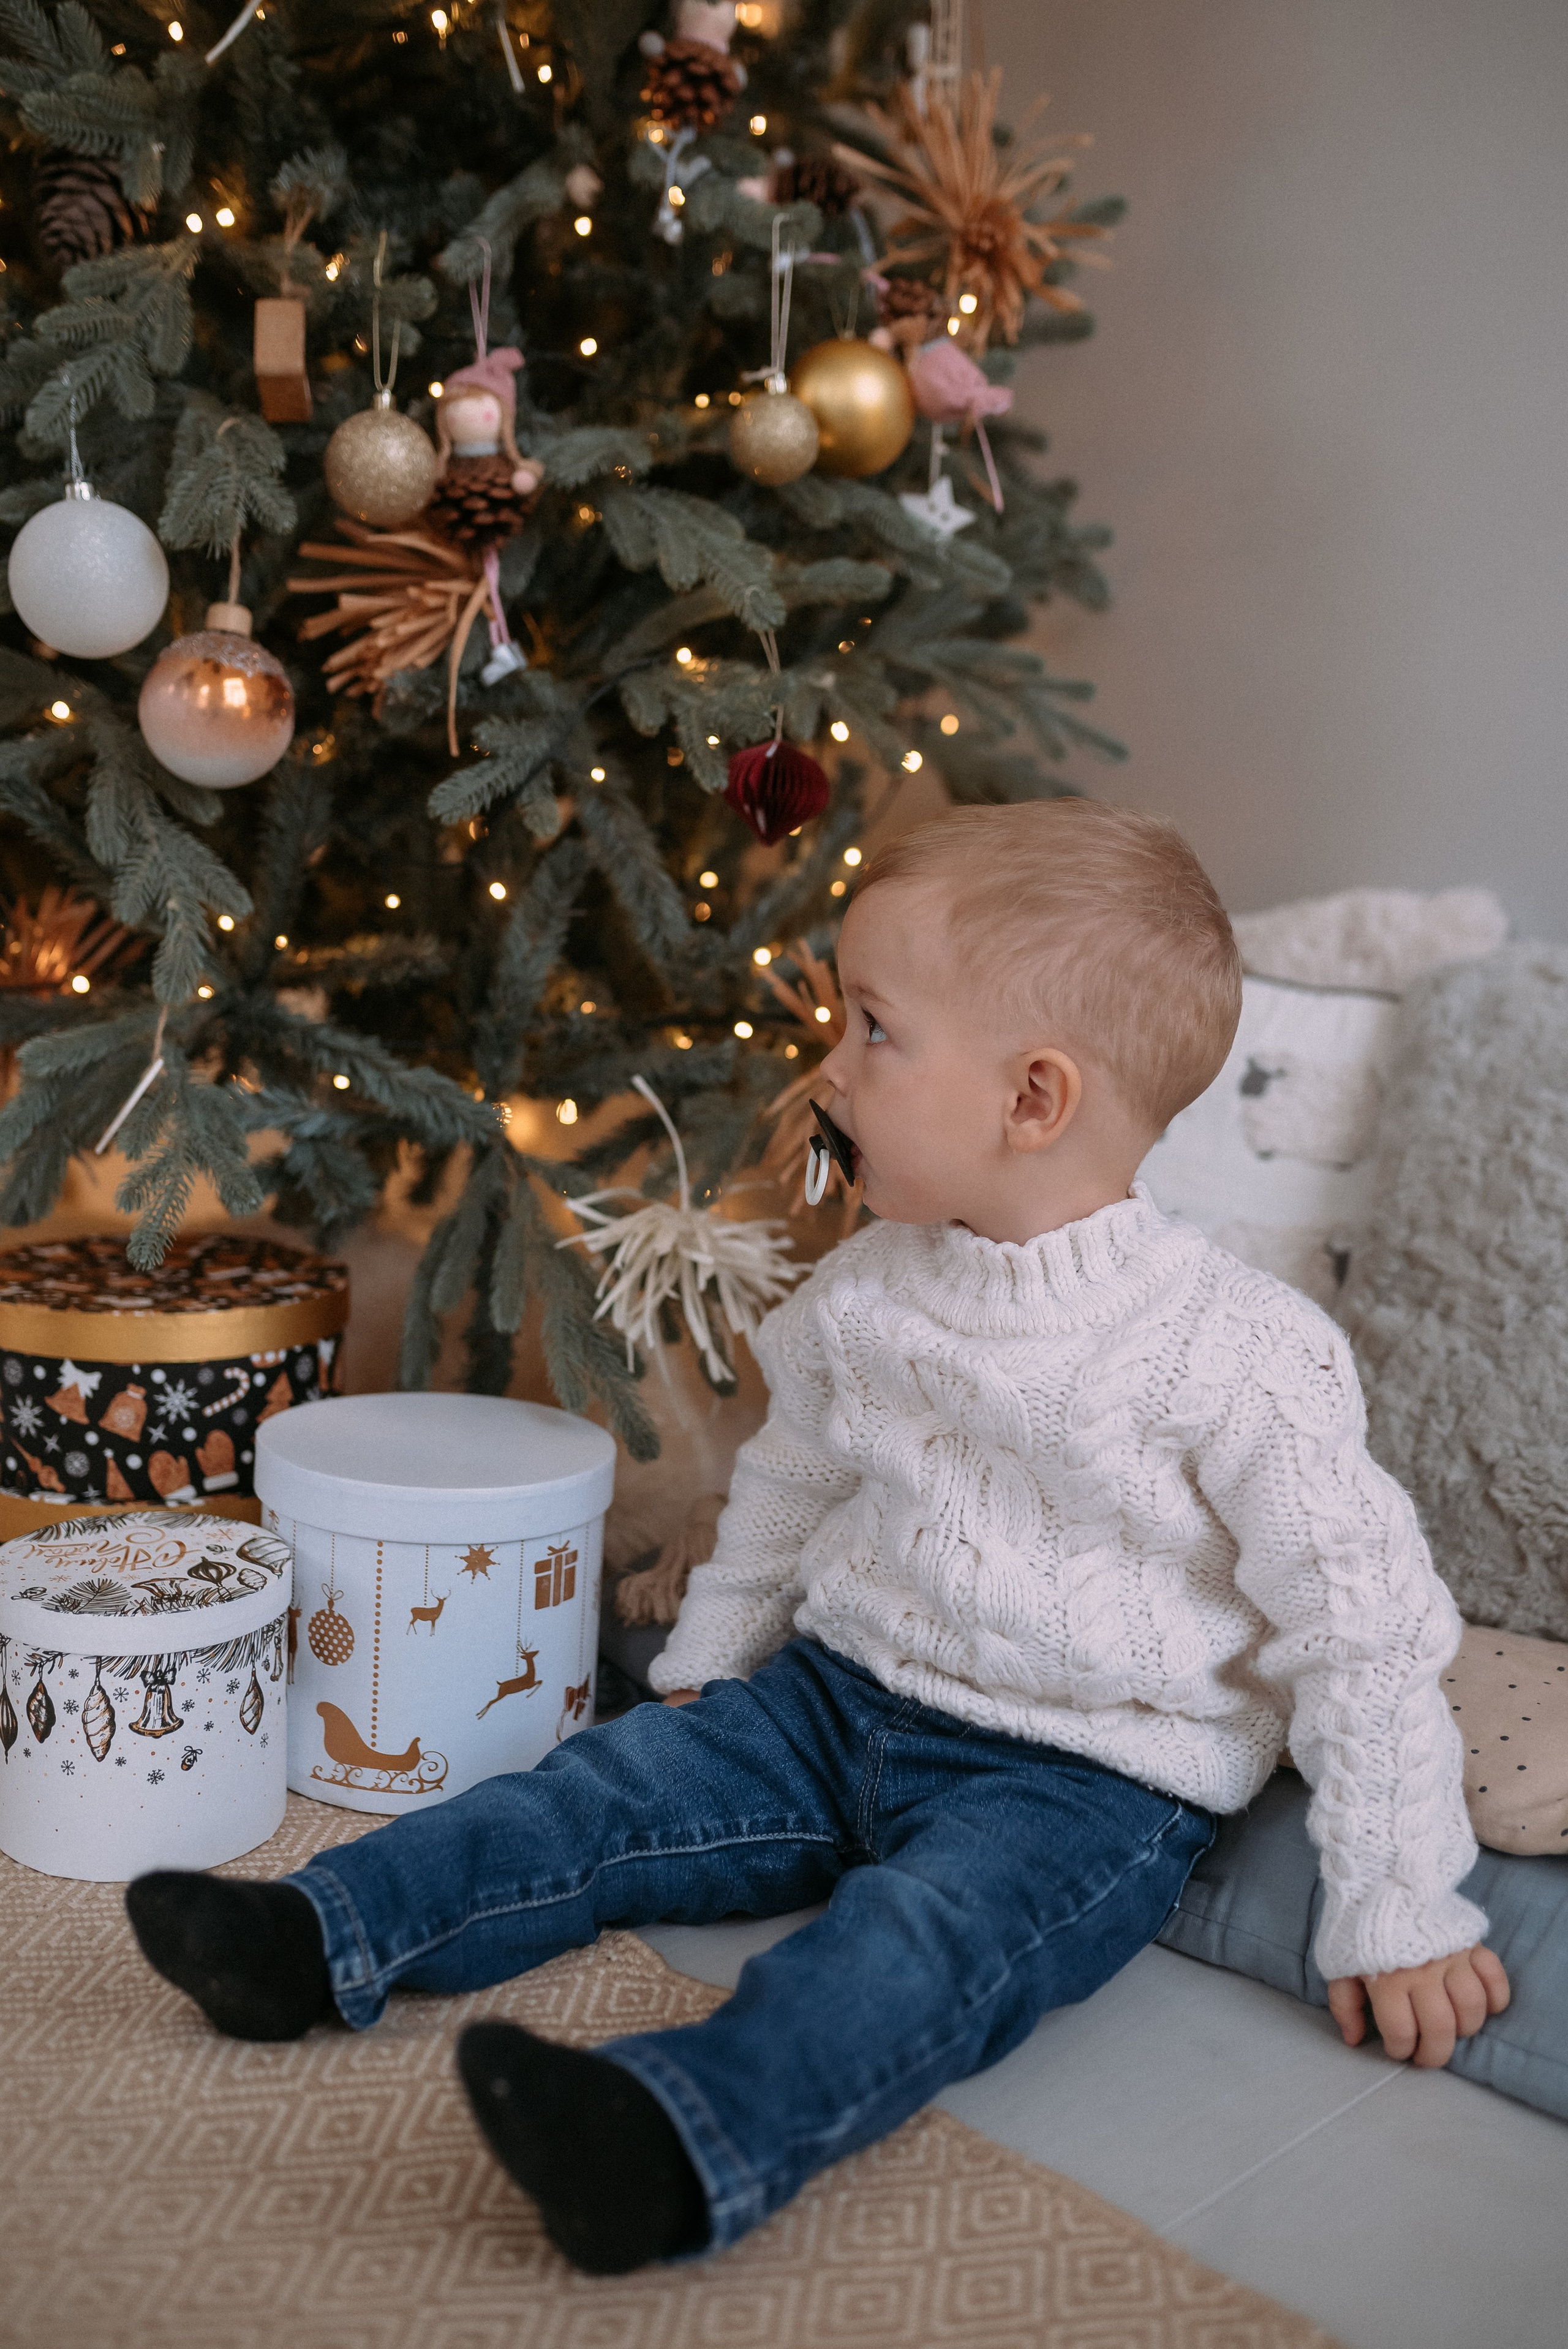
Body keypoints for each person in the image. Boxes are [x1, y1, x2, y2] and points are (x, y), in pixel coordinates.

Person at [125, 799, 1510, 2276]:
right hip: (832, 1702)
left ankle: (672, 2139)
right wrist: (715, 1658)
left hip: (1082, 1782)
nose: (828, 1069)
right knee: (594, 1794)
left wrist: (1396, 1900)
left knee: (914, 1946)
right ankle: (315, 1936)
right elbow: (788, 1482)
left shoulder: (1241, 1354)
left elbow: (1359, 1631)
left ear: (1030, 1098)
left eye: (872, 1031)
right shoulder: (872, 1289)